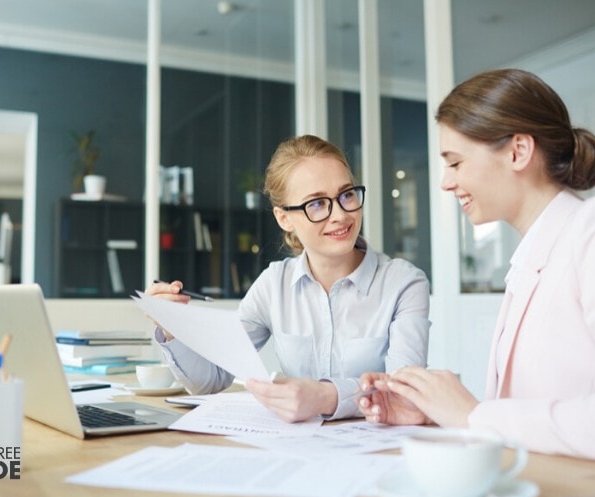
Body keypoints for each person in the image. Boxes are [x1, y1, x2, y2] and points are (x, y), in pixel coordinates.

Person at [358, 68, 595, 467]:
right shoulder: (529, 259)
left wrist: (471, 414)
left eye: (456, 162)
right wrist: (438, 413)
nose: (445, 182)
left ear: (518, 152)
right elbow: (528, 412)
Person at [146, 134, 431, 422]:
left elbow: (403, 393)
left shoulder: (403, 284)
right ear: (284, 218)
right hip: (296, 447)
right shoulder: (274, 285)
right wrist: (171, 326)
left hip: (380, 452)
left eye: (347, 195)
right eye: (317, 203)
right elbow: (211, 378)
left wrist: (322, 396)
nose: (341, 215)